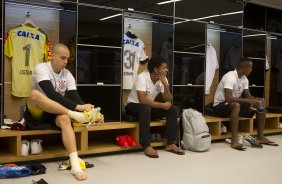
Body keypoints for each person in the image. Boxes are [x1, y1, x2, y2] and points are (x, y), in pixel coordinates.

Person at [23, 43, 103, 180]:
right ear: (52, 56)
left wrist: (92, 113)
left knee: (65, 119)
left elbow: (74, 96)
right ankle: (75, 115)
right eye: (63, 58)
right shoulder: (41, 68)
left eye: (67, 59)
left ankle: (75, 166)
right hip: (36, 113)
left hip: (54, 112)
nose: (66, 62)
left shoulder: (67, 74)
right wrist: (78, 109)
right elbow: (51, 94)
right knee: (34, 94)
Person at [212, 57, 278, 151]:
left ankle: (260, 137)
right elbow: (228, 98)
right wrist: (248, 101)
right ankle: (234, 140)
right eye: (250, 67)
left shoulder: (245, 79)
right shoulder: (230, 76)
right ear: (245, 67)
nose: (251, 69)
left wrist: (257, 100)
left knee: (260, 104)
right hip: (220, 105)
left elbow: (248, 96)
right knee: (236, 105)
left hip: (233, 104)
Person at [125, 56, 184, 158]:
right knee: (145, 108)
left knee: (172, 109)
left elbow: (168, 99)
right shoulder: (142, 77)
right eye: (164, 68)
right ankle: (146, 145)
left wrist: (165, 85)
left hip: (148, 108)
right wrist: (162, 105)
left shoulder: (163, 79)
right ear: (156, 69)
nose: (167, 70)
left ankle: (170, 143)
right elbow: (142, 100)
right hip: (133, 106)